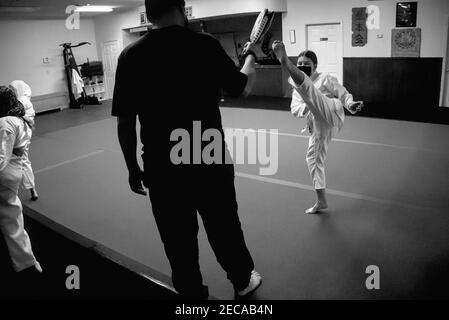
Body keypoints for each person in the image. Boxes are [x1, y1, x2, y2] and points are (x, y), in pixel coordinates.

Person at [112, 0, 261, 299]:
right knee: (224, 226)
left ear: (148, 14)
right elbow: (242, 87)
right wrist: (250, 59)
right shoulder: (204, 44)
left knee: (176, 239)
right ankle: (243, 280)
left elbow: (125, 122)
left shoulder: (130, 55)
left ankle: (192, 294)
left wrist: (132, 168)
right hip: (207, 155)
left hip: (161, 165)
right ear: (182, 8)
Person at [271, 42, 363, 214]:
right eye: (300, 65)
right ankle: (321, 200)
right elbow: (294, 109)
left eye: (306, 65)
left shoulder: (325, 78)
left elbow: (343, 94)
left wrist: (351, 104)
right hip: (319, 125)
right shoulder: (296, 88)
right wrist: (308, 108)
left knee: (310, 92)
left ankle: (285, 62)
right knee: (312, 159)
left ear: (315, 66)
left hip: (332, 111)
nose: (303, 66)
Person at [0, 85, 42, 275]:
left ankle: (26, 263)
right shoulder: (20, 118)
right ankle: (25, 262)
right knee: (11, 215)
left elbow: (2, 156)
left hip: (6, 172)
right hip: (13, 170)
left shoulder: (6, 121)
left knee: (10, 217)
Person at [9, 80, 38, 201]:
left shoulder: (20, 102)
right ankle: (32, 189)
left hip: (19, 135)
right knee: (24, 160)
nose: (11, 91)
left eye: (13, 89)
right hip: (24, 134)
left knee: (14, 161)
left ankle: (15, 190)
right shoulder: (25, 101)